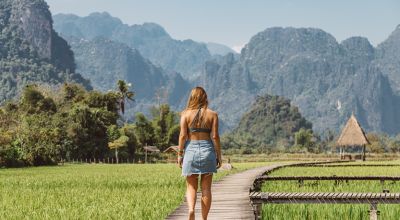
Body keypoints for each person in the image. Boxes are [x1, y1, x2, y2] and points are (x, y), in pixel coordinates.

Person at [178, 86, 222, 220]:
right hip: (207, 152)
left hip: (190, 152)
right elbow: (215, 136)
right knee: (206, 189)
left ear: (192, 98)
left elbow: (182, 136)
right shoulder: (213, 114)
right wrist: (218, 155)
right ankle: (204, 219)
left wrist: (180, 154)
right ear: (205, 98)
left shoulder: (185, 114)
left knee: (191, 186)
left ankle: (191, 210)